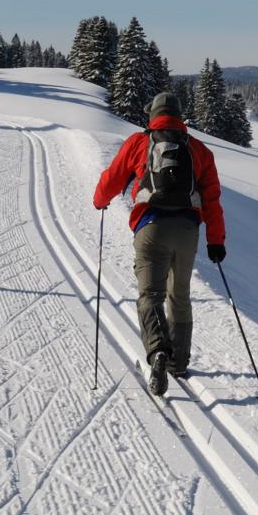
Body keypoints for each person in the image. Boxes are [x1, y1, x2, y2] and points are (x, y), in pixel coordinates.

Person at [93, 91, 227, 394]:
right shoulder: (200, 151)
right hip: (187, 230)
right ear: (179, 117)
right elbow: (213, 200)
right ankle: (178, 362)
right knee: (179, 295)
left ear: (152, 115)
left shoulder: (139, 143)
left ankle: (158, 351)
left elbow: (112, 180)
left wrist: (99, 201)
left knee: (150, 294)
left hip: (150, 226)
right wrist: (215, 241)